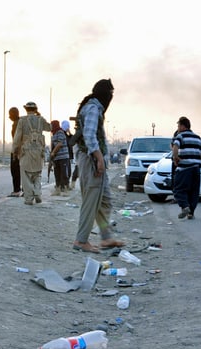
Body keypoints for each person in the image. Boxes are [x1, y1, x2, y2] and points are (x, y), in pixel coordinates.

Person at [71, 79, 124, 253]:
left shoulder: (93, 107)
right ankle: (81, 240)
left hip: (91, 160)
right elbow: (89, 136)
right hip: (91, 161)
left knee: (105, 200)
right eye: (109, 94)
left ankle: (106, 237)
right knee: (91, 201)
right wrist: (99, 159)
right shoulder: (93, 109)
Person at [12, 101, 51, 205]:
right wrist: (39, 116)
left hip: (26, 151)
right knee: (37, 173)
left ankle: (29, 198)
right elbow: (49, 128)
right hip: (39, 151)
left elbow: (17, 137)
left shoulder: (22, 120)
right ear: (35, 109)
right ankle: (38, 193)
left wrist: (14, 149)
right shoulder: (41, 120)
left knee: (26, 175)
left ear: (26, 109)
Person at [171, 117, 201, 219]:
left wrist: (176, 158)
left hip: (184, 169)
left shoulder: (180, 136)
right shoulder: (198, 138)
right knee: (194, 192)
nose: (178, 128)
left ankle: (185, 206)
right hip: (196, 169)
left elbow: (175, 147)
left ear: (182, 126)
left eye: (178, 126)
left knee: (178, 189)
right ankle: (191, 213)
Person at [50, 120, 70, 196]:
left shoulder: (60, 132)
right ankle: (57, 190)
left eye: (51, 125)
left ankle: (65, 190)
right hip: (56, 158)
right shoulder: (53, 134)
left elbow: (59, 144)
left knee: (64, 173)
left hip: (63, 156)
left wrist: (53, 152)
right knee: (57, 173)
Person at [8, 107, 22, 197]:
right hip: (20, 150)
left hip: (17, 150)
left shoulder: (17, 124)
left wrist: (15, 153)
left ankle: (17, 190)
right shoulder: (19, 123)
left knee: (15, 171)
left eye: (10, 114)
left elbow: (17, 139)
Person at [61, 120, 78, 191]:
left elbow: (73, 141)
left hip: (67, 156)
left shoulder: (66, 135)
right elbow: (71, 142)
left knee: (68, 172)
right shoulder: (62, 135)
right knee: (66, 172)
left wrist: (70, 133)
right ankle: (64, 186)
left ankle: (65, 185)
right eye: (67, 126)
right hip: (64, 156)